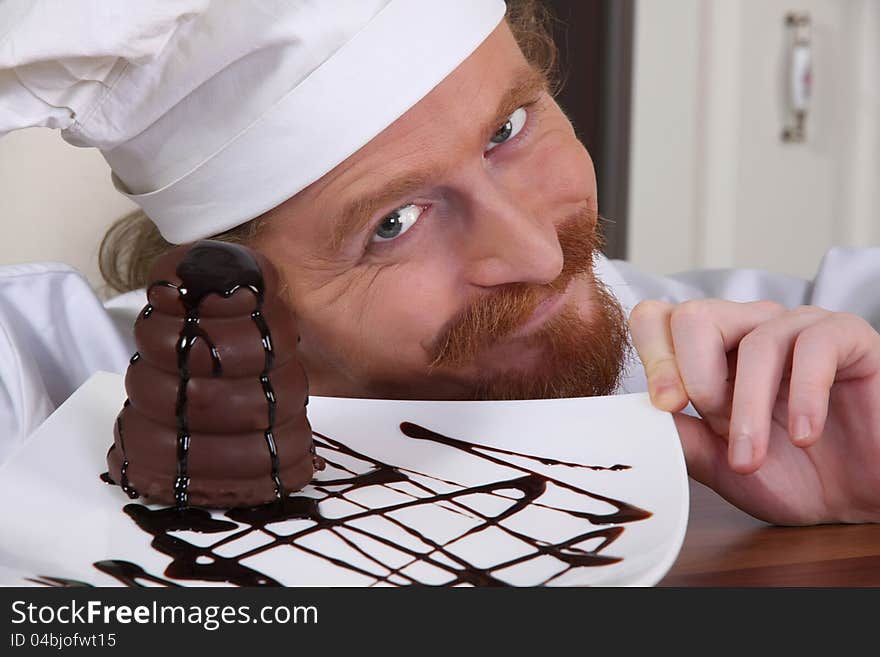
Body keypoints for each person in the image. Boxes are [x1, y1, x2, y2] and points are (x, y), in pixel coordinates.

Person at [1, 0, 878, 527]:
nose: (538, 255)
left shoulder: (764, 373)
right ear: (233, 287)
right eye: (396, 221)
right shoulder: (46, 390)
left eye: (508, 130)